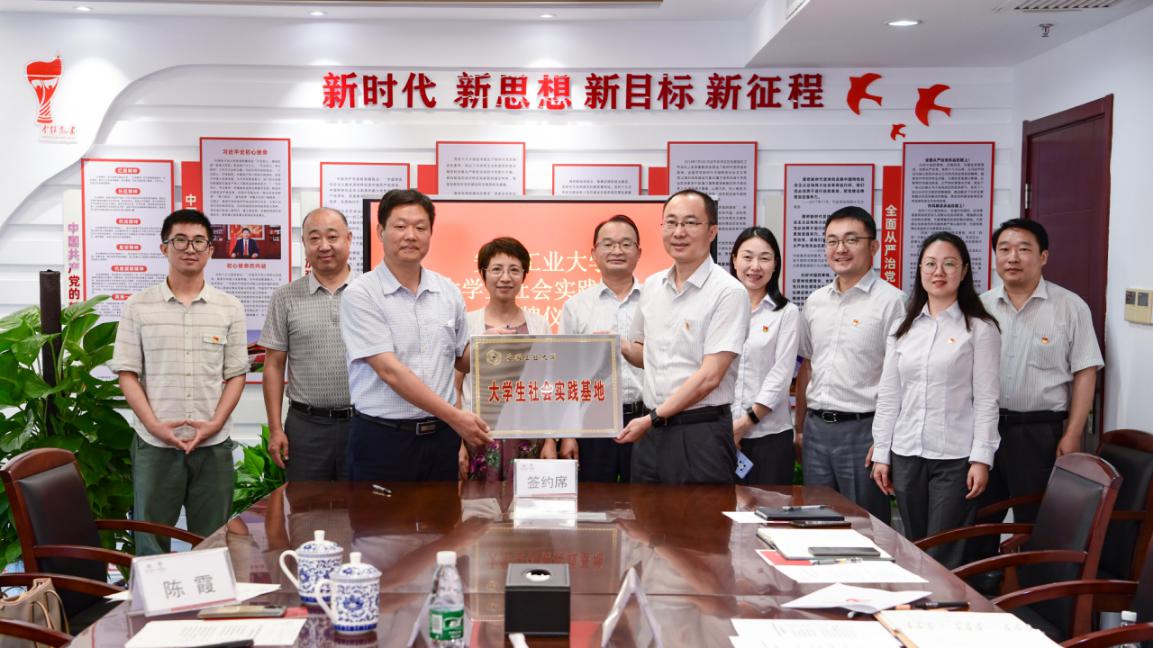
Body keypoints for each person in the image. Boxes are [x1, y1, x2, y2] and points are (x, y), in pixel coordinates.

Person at [110, 208, 247, 555]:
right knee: (150, 542)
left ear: (210, 250)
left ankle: (208, 594)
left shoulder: (229, 307)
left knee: (212, 542)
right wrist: (154, 426)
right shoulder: (138, 307)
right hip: (155, 445)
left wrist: (214, 424)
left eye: (199, 241)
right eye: (180, 240)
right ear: (164, 248)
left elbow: (236, 375)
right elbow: (127, 374)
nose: (190, 248)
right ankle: (150, 595)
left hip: (213, 444)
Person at [339, 189, 492, 481]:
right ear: (380, 231)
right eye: (400, 226)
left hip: (441, 439)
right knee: (378, 514)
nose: (411, 235)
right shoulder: (362, 294)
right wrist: (456, 417)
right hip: (383, 439)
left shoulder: (447, 291)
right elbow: (390, 371)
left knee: (443, 512)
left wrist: (495, 346)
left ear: (431, 233)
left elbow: (461, 359)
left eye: (420, 228)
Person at [871, 232, 1001, 567]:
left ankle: (944, 599)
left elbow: (987, 399)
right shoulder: (903, 327)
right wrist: (882, 452)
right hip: (906, 453)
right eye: (930, 264)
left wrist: (981, 458)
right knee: (914, 546)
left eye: (949, 264)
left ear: (964, 270)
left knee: (943, 551)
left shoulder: (980, 328)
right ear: (920, 270)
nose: (938, 272)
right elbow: (889, 396)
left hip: (955, 457)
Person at [974, 219, 1103, 539]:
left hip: (1040, 434)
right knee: (978, 521)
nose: (1012, 257)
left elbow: (1085, 372)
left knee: (1037, 523)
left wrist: (1073, 433)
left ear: (1043, 256)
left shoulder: (1070, 307)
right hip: (985, 430)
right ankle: (981, 571)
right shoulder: (980, 307)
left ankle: (1032, 573)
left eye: (1023, 249)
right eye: (1004, 249)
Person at [617, 189, 751, 484]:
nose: (679, 232)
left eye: (690, 223)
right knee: (646, 511)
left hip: (700, 433)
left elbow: (710, 377)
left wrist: (652, 418)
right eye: (671, 222)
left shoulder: (728, 292)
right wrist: (617, 346)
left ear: (712, 231)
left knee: (702, 514)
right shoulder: (652, 286)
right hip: (650, 432)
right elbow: (644, 355)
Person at [795, 206, 906, 524]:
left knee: (864, 526)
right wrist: (800, 428)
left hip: (863, 432)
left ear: (873, 247)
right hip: (817, 431)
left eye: (851, 240)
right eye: (832, 241)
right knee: (816, 523)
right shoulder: (815, 301)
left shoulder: (893, 302)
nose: (840, 248)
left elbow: (900, 379)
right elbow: (808, 366)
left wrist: (884, 440)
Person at [259, 207, 355, 481]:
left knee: (364, 505)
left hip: (363, 424)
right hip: (306, 427)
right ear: (304, 243)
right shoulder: (285, 297)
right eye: (314, 238)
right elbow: (274, 365)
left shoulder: (370, 293)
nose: (324, 246)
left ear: (348, 239)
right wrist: (275, 429)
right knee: (305, 504)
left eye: (332, 237)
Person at [455, 237, 554, 480]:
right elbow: (454, 387)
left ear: (524, 275)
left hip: (529, 435)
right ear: (483, 274)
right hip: (478, 435)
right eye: (497, 269)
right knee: (478, 502)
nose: (505, 278)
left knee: (526, 500)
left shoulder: (539, 325)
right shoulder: (467, 323)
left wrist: (551, 439)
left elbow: (549, 385)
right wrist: (458, 441)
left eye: (514, 270)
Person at [557, 215, 646, 483]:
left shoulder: (655, 301)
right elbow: (566, 373)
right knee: (593, 502)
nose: (617, 250)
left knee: (646, 501)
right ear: (594, 253)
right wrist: (568, 434)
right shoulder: (576, 307)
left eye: (626, 244)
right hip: (592, 422)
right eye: (608, 244)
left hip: (645, 420)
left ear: (639, 252)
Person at [729, 227, 800, 485]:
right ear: (734, 260)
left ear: (775, 264)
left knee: (769, 506)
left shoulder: (786, 313)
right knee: (720, 507)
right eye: (747, 257)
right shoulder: (719, 309)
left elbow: (781, 376)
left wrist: (744, 423)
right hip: (721, 433)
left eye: (764, 258)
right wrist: (728, 427)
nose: (755, 266)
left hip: (770, 436)